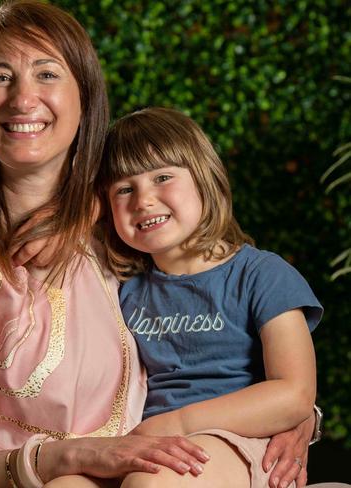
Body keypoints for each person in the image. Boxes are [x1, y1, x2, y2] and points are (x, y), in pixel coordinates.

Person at [0, 3, 215, 487]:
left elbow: (226, 319)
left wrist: (291, 410)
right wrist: (65, 459)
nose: (24, 99)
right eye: (1, 77)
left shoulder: (127, 221)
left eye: (47, 74)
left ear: (85, 96)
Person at [94, 107, 323, 488]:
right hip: (146, 444)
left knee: (153, 484)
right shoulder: (124, 288)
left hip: (237, 441)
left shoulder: (261, 274)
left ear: (206, 179)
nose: (143, 200)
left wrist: (178, 423)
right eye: (124, 188)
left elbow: (295, 393)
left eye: (163, 177)